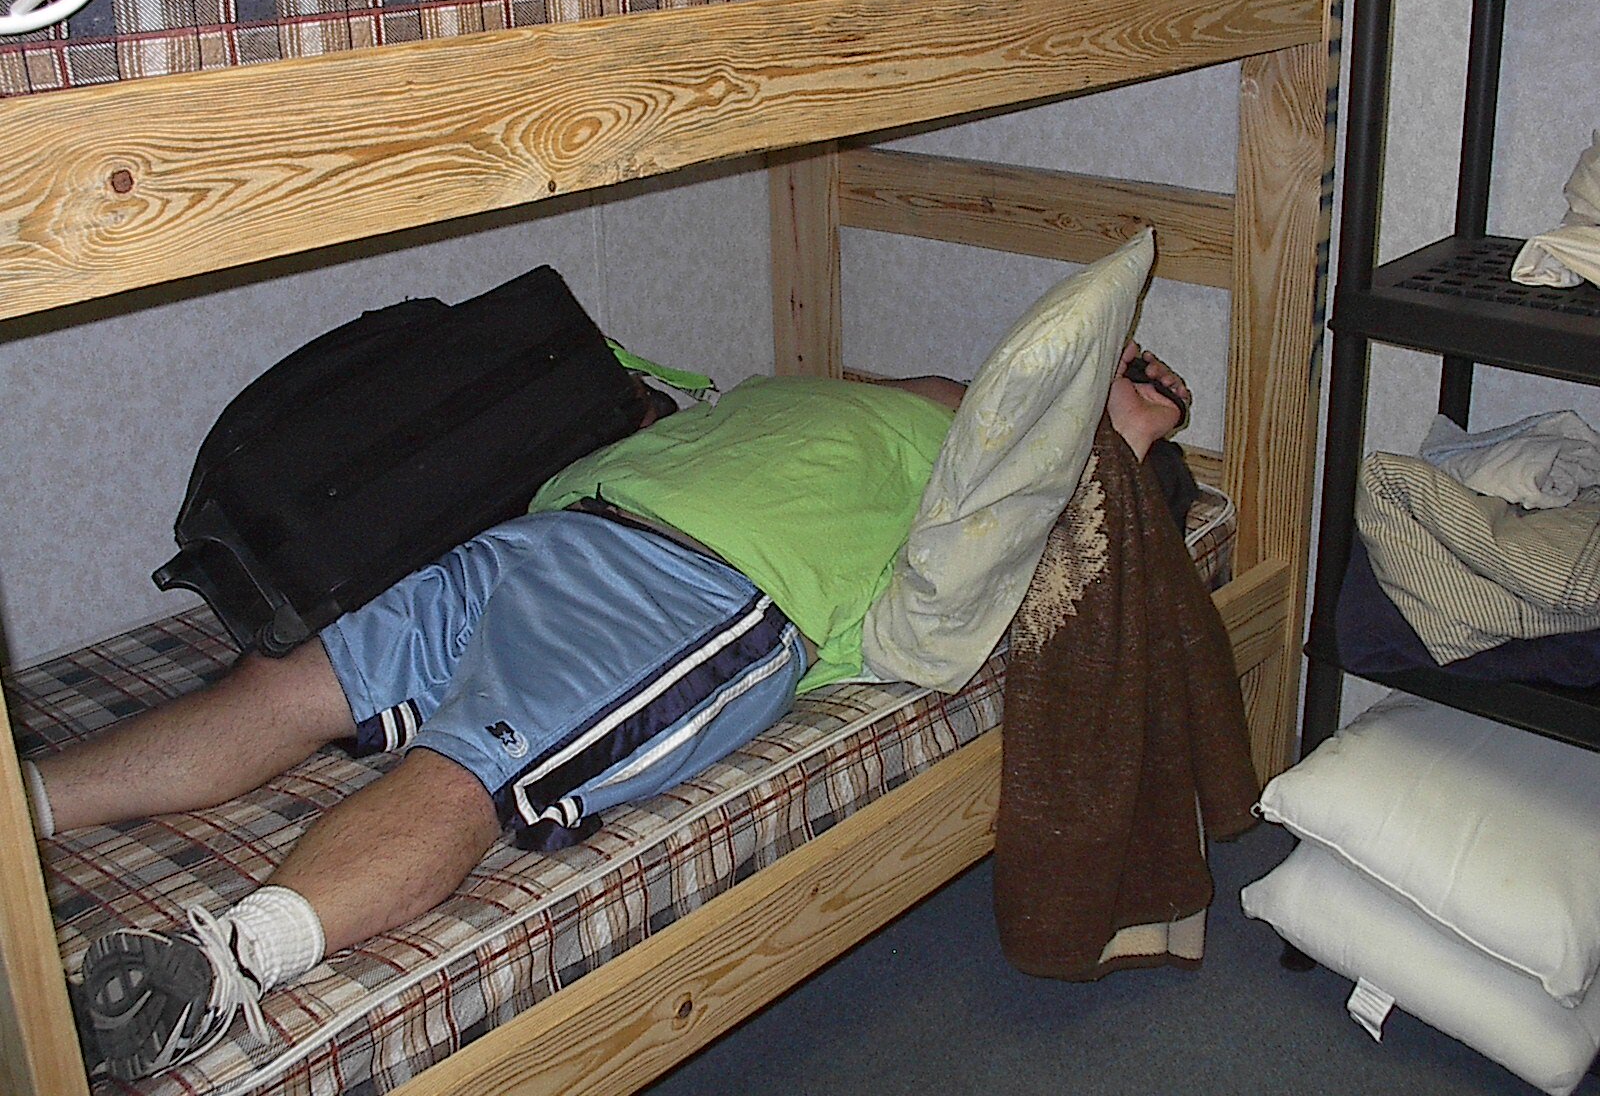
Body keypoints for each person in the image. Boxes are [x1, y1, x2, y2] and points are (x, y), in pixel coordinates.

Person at [29, 343, 1190, 1082]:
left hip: (701, 591)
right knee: (286, 682)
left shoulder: (1005, 490)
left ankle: (219, 968)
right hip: (561, 524)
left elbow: (1083, 549)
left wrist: (1126, 438)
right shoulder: (882, 392)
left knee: (470, 769)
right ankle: (24, 800)